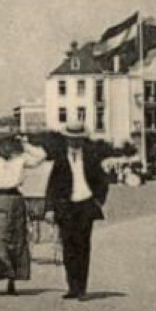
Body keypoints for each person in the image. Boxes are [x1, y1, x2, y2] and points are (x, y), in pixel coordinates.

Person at [0, 126, 46, 297]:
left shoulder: (20, 160)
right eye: (2, 143)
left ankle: (11, 281)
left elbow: (41, 156)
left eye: (9, 142)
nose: (6, 147)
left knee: (16, 240)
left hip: (16, 200)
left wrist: (24, 143)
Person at [46, 122, 111, 300]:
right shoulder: (60, 158)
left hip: (85, 205)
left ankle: (82, 288)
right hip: (66, 206)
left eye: (78, 140)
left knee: (83, 247)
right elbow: (52, 185)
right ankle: (72, 287)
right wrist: (50, 208)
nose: (75, 143)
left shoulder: (91, 156)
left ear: (82, 140)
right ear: (66, 139)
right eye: (71, 140)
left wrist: (98, 201)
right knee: (68, 247)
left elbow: (102, 181)